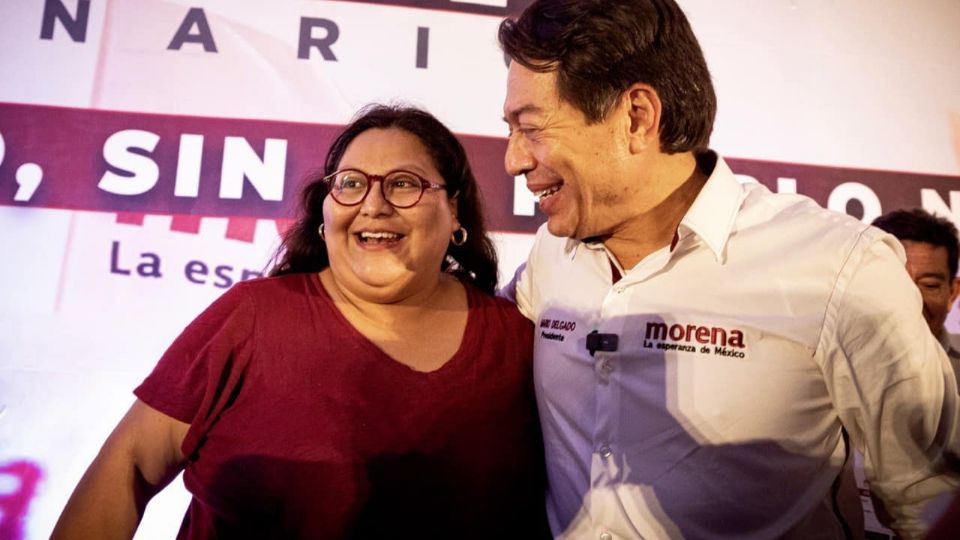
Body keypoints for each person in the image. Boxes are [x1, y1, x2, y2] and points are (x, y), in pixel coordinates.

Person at [497, 1, 959, 538]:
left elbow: (930, 497)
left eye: (531, 128)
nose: (513, 160)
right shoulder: (550, 256)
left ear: (637, 117)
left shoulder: (840, 267)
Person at [52, 105, 549, 539]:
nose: (374, 205)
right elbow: (129, 463)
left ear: (454, 210)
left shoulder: (517, 341)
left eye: (403, 184)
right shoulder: (250, 318)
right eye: (351, 184)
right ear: (325, 213)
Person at [873, 208, 960, 381]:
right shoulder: (829, 368)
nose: (913, 300)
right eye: (896, 282)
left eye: (929, 285)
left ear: (952, 293)